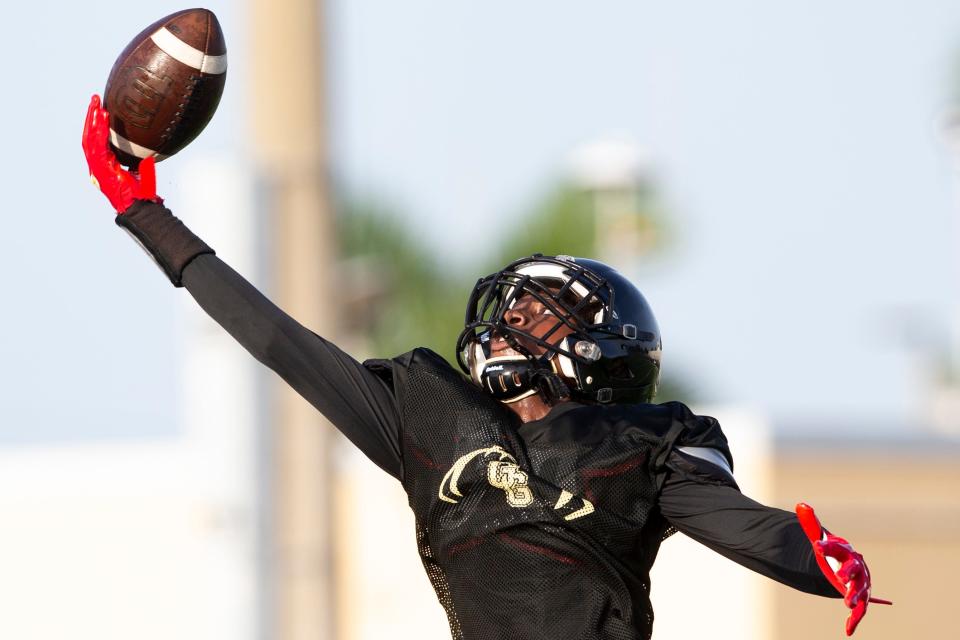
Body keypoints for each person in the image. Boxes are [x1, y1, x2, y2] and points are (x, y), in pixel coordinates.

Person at [82, 95, 887, 639]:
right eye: (510, 306)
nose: (509, 321)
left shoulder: (645, 443)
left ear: (600, 353)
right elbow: (281, 341)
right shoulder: (428, 414)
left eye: (540, 312)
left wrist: (818, 562)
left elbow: (739, 525)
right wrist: (149, 217)